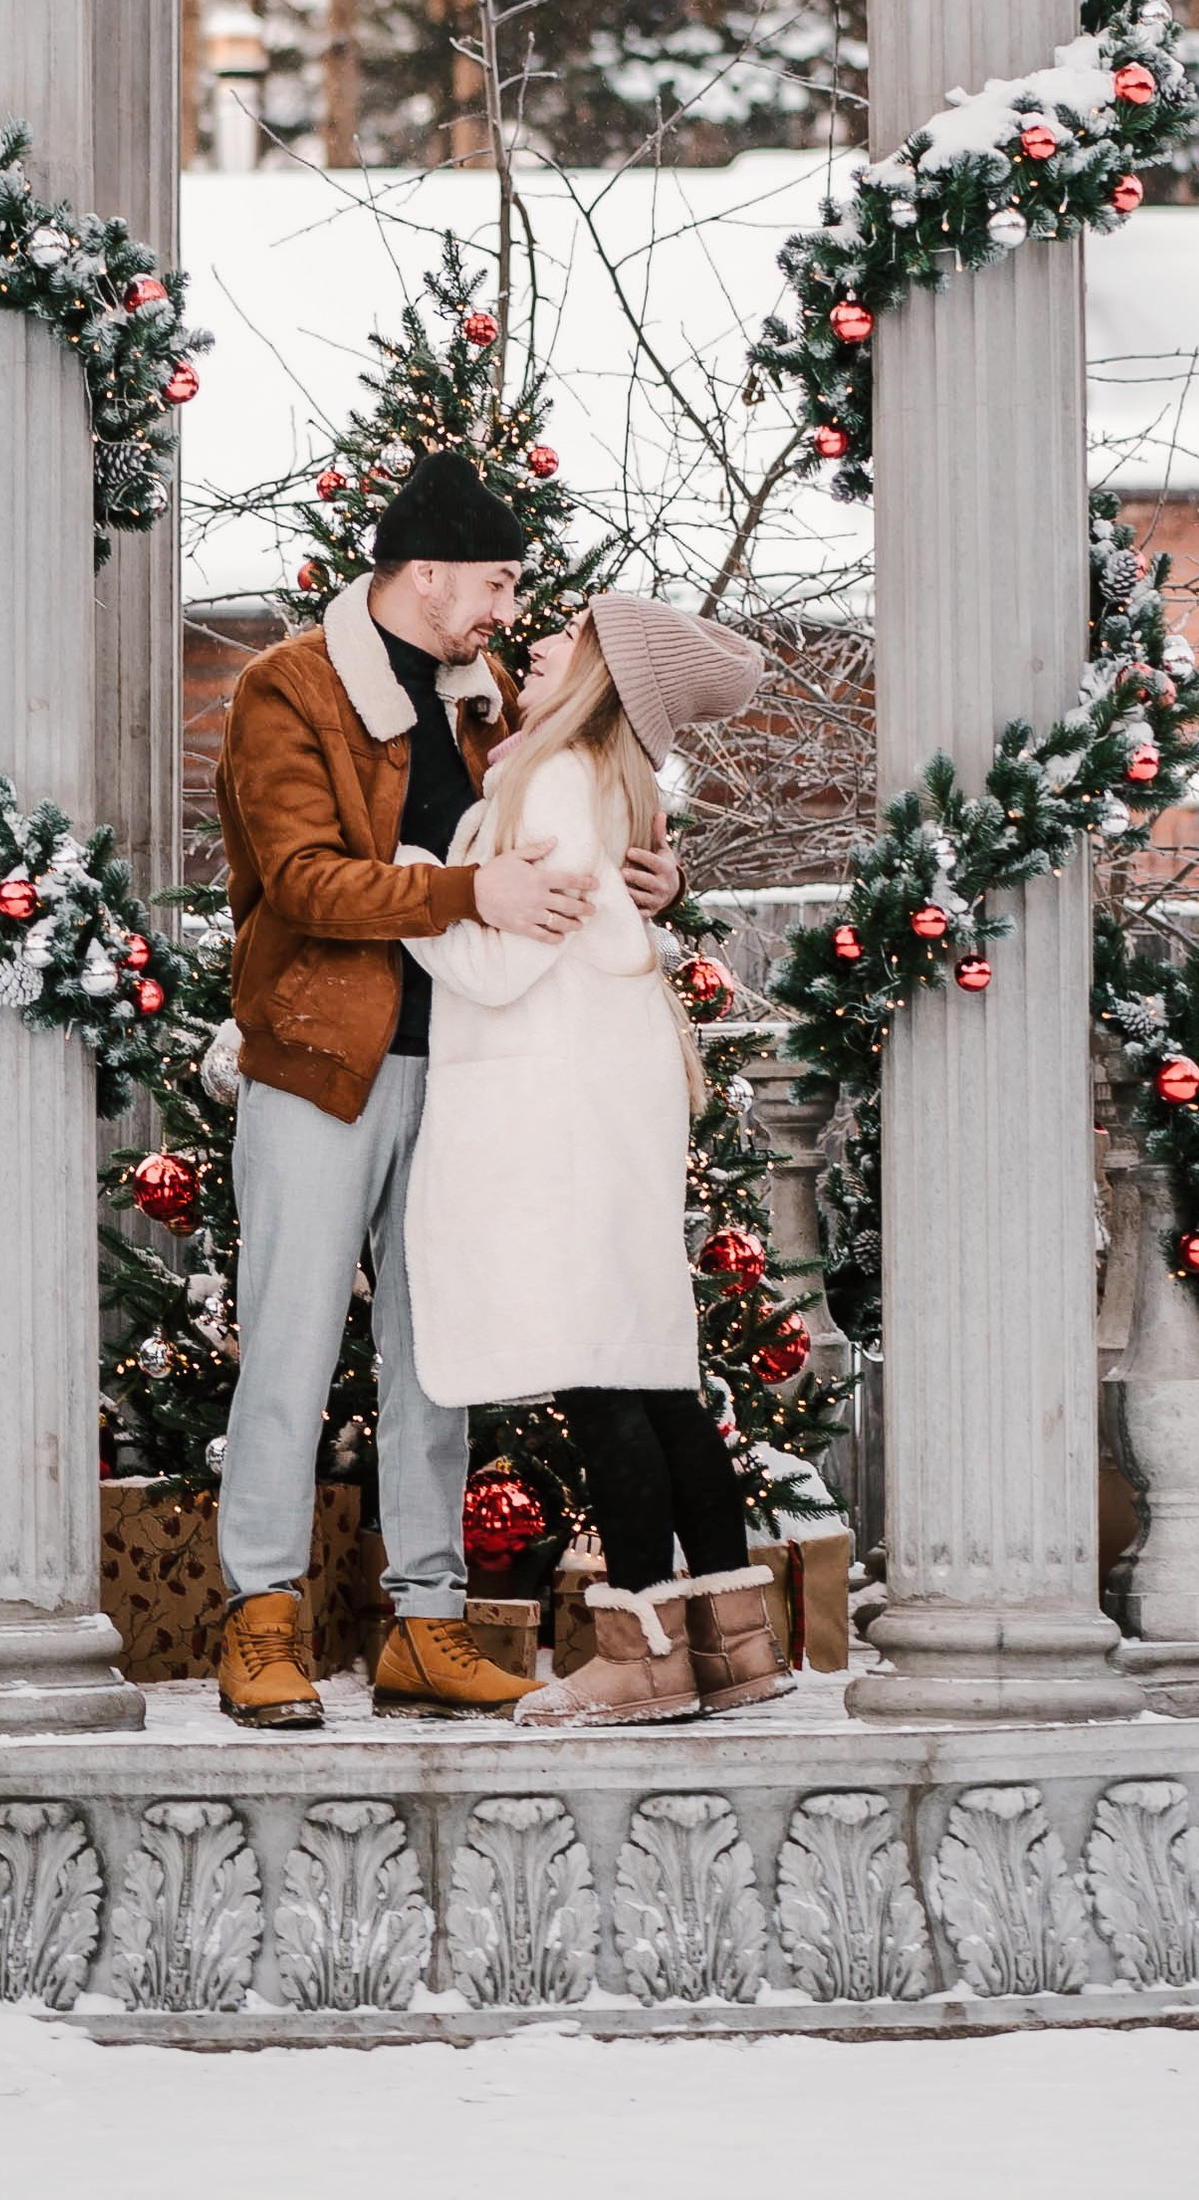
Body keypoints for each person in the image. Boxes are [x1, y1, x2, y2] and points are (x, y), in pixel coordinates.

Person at [210, 450, 689, 1729]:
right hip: (323, 1061)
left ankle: (425, 1623)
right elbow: (306, 879)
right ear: (424, 575)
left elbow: (567, 815)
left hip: (473, 1073)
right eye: (493, 581)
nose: (506, 609)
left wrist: (657, 879)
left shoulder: (483, 703)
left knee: (440, 1351)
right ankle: (262, 1617)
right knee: (295, 1342)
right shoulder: (287, 689)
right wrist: (465, 892)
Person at [405, 593, 792, 1726]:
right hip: (604, 1095)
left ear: (600, 670)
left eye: (563, 633)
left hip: (554, 1103)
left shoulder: (555, 777)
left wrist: (418, 884)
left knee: (596, 1364)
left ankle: (640, 1648)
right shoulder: (594, 776)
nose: (535, 640)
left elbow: (497, 961)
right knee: (648, 1363)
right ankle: (733, 1640)